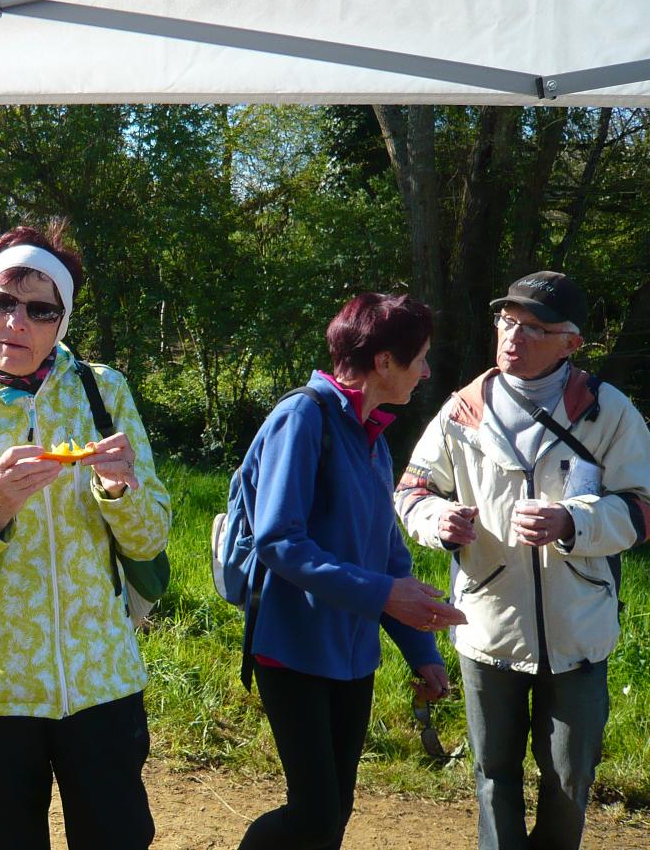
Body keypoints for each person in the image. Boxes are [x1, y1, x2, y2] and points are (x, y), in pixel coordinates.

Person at [0, 222, 170, 850]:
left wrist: (118, 491)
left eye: (40, 309)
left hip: (100, 679)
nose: (16, 323)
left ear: (62, 322)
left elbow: (151, 537)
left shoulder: (103, 392)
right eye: (2, 301)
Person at [396, 271, 650, 850]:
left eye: (535, 327)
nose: (514, 335)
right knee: (493, 776)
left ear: (571, 342)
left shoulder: (608, 413)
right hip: (488, 628)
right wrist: (438, 521)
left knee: (569, 778)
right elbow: (410, 491)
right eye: (507, 320)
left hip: (579, 632)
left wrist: (574, 524)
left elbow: (643, 509)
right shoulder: (462, 411)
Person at [234, 292, 465, 850]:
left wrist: (423, 654)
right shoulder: (302, 417)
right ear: (385, 361)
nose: (427, 370)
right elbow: (277, 540)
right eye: (421, 357)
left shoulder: (375, 441)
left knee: (334, 812)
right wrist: (385, 595)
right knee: (313, 814)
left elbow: (388, 560)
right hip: (290, 648)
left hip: (352, 654)